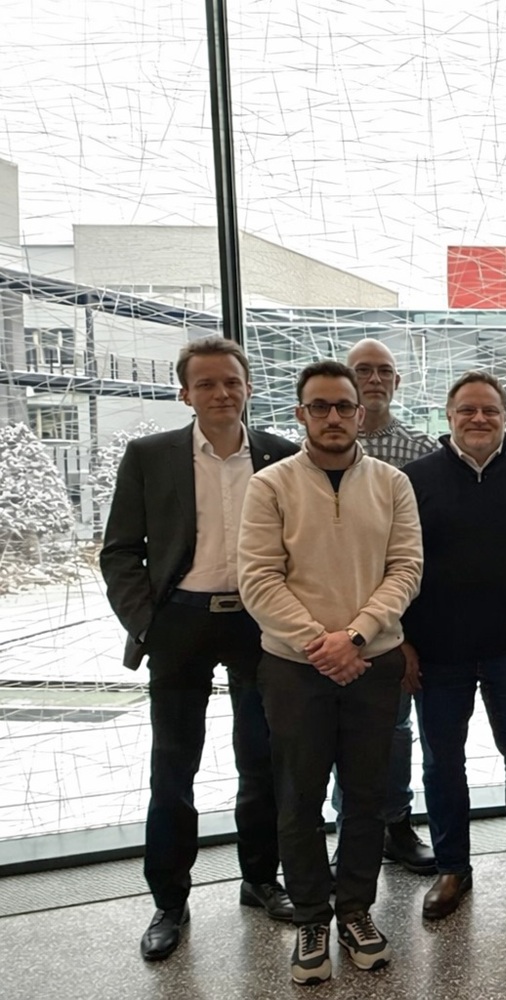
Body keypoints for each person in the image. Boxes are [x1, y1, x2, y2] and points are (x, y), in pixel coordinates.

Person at [100, 337, 297, 961]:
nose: (221, 393)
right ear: (185, 393)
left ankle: (260, 879)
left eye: (231, 381)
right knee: (174, 766)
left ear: (248, 387)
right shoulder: (150, 456)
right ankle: (169, 900)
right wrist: (148, 624)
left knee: (262, 759)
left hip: (259, 623)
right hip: (180, 623)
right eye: (206, 384)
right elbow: (119, 551)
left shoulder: (281, 455)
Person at [238, 360, 423, 985]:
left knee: (367, 797)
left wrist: (357, 636)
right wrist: (322, 643)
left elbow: (406, 569)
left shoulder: (393, 483)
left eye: (344, 406)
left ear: (361, 413)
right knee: (299, 797)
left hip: (373, 661)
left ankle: (356, 911)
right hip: (295, 668)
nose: (334, 416)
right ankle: (313, 917)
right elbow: (258, 578)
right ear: (301, 414)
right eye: (320, 406)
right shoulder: (270, 486)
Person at [402, 371, 506, 918]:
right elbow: (393, 563)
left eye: (490, 411)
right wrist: (401, 639)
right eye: (468, 410)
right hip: (437, 652)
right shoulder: (413, 480)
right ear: (449, 416)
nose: (479, 419)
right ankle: (452, 867)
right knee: (442, 763)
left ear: (505, 417)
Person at [341, 338, 439, 875]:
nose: (374, 380)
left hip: (396, 619)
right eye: (363, 370)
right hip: (329, 618)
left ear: (398, 383)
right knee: (338, 733)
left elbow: (421, 552)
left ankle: (396, 823)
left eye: (383, 371)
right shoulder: (309, 452)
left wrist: (410, 635)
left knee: (396, 731)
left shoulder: (421, 453)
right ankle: (350, 830)